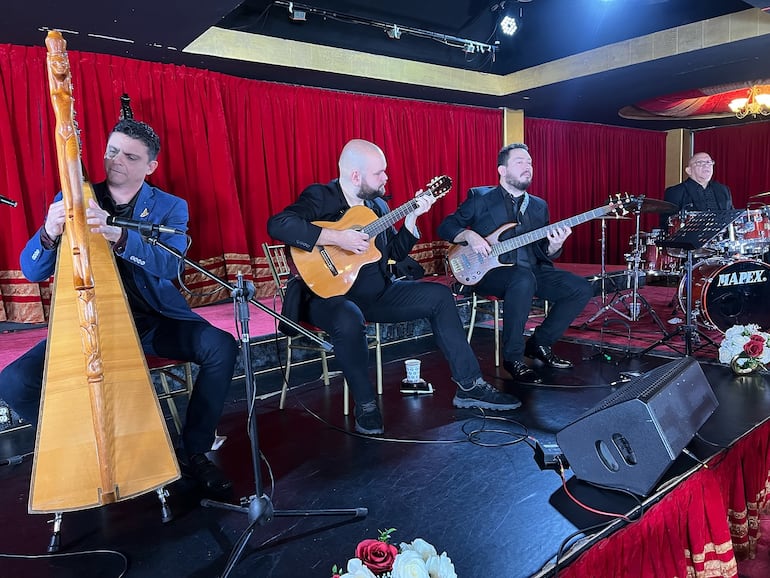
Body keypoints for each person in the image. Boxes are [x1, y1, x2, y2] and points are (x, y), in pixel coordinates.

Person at [0, 119, 238, 493]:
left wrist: (118, 235)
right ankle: (87, 446)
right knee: (12, 383)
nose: (116, 161)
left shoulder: (170, 208)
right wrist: (48, 230)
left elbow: (170, 265)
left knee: (221, 345)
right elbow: (32, 270)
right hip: (92, 325)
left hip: (154, 323)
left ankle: (193, 452)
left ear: (150, 167)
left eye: (130, 156)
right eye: (112, 151)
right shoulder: (76, 196)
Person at [267, 139, 522, 435]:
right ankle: (366, 404)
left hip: (375, 294)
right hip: (327, 297)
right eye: (379, 173)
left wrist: (412, 219)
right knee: (348, 317)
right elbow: (278, 225)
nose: (386, 178)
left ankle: (469, 386)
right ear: (355, 176)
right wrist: (337, 238)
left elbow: (394, 255)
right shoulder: (321, 196)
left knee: (439, 295)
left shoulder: (378, 205)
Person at [438, 143, 593, 384]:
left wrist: (554, 246)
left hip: (532, 270)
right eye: (520, 162)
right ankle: (513, 358)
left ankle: (540, 343)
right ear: (502, 170)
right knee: (521, 279)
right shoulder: (480, 198)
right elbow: (446, 226)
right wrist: (468, 235)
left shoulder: (539, 206)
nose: (528, 167)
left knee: (580, 288)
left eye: (530, 162)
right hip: (489, 273)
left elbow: (544, 252)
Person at [660, 152, 733, 227]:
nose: (706, 165)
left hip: (722, 237)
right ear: (689, 170)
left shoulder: (723, 190)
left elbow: (731, 217)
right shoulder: (675, 192)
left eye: (709, 162)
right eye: (700, 163)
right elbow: (667, 224)